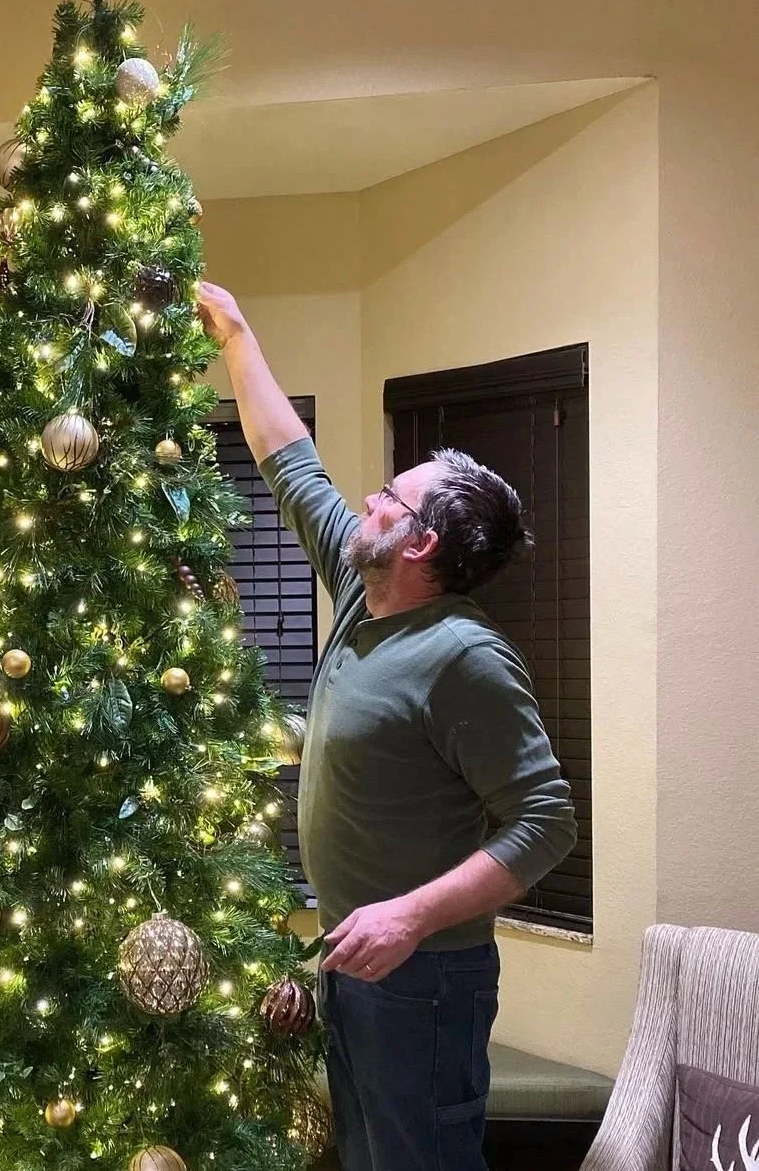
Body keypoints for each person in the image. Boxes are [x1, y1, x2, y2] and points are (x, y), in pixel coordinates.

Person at [195, 281, 578, 1171]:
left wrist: (407, 917)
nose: (366, 502)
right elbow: (290, 462)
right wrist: (238, 333)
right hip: (354, 965)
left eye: (387, 499)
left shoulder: (463, 657)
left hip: (425, 983)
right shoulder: (364, 589)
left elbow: (546, 822)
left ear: (421, 546)